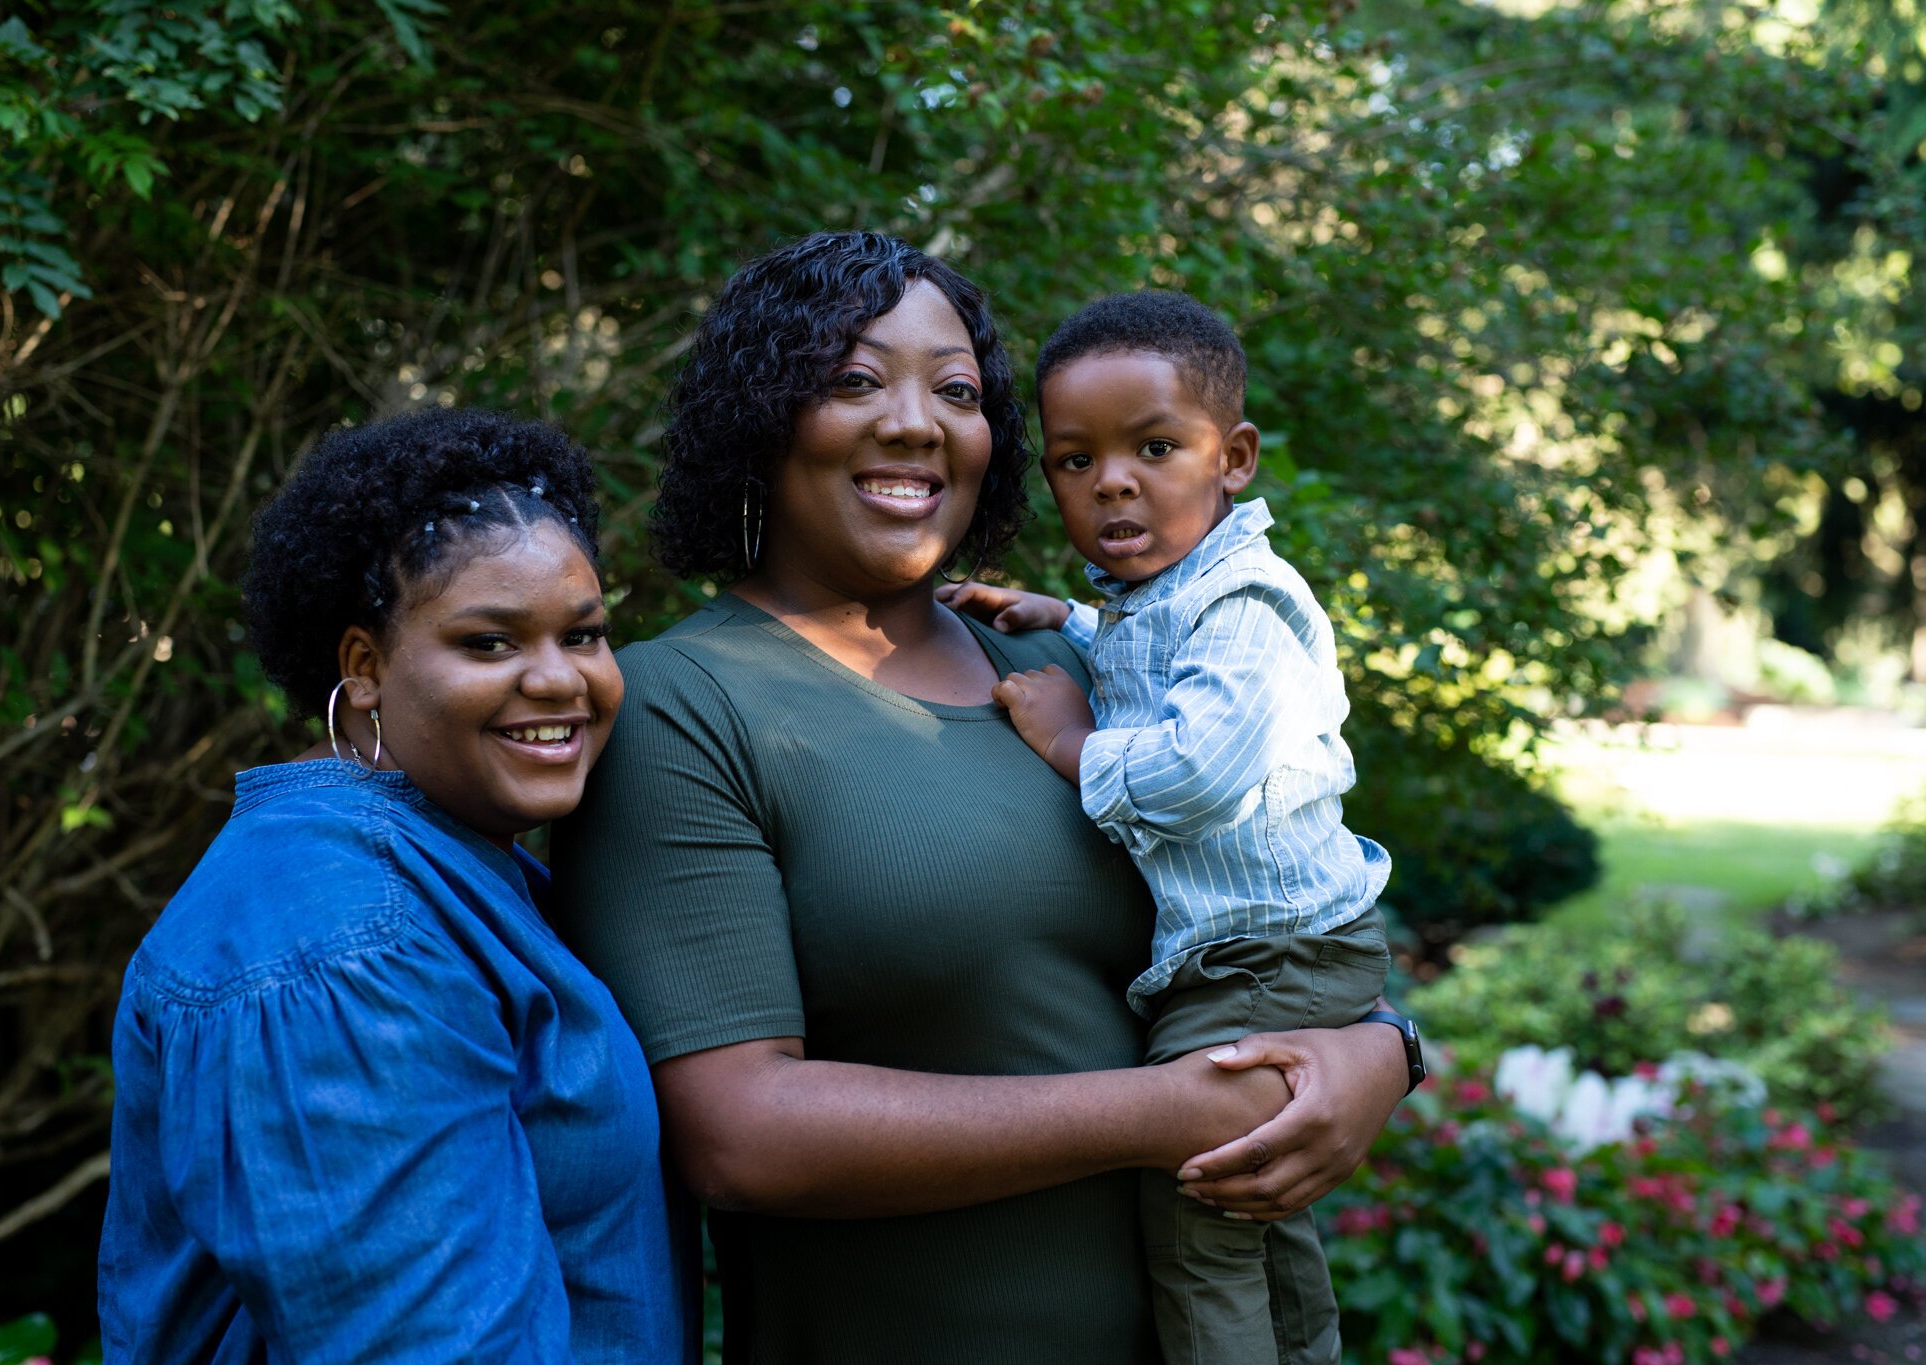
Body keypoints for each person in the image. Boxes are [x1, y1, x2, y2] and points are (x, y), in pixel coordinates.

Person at [553, 231, 1413, 1365]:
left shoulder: (1063, 674)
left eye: (954, 391)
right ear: (762, 417)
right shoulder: (681, 705)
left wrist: (1382, 1052)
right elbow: (739, 1139)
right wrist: (1172, 1114)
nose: (915, 422)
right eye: (854, 379)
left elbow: (1257, 893)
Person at [98, 409, 685, 1363]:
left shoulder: (454, 862)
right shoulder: (339, 939)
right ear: (364, 668)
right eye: (490, 642)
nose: (558, 680)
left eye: (584, 635)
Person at [940, 290, 1414, 1365]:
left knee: (1198, 1211)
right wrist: (1062, 619)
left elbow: (1196, 771)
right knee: (1262, 1203)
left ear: (1232, 457)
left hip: (1263, 957)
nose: (1111, 479)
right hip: (1267, 950)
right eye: (1073, 460)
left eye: (1154, 446)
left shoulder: (1250, 603)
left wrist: (1068, 743)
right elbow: (1157, 649)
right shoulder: (1171, 594)